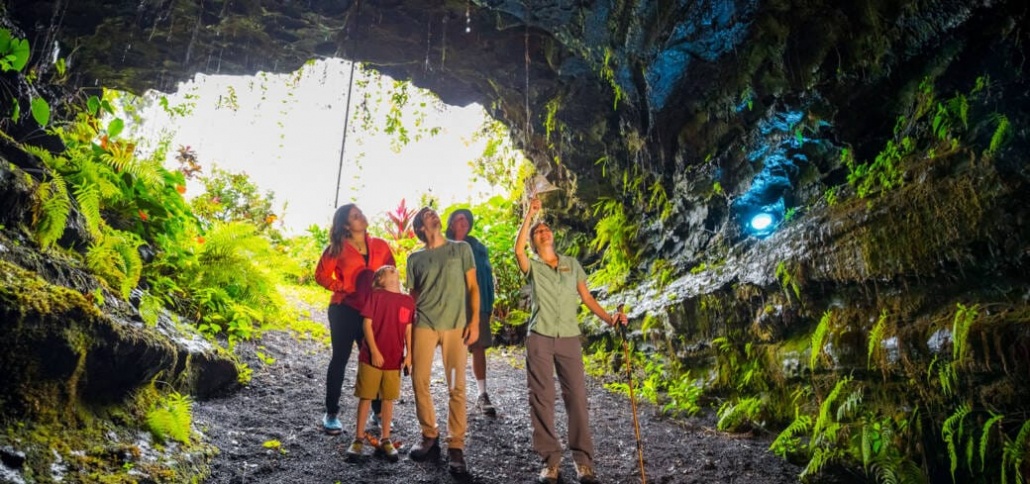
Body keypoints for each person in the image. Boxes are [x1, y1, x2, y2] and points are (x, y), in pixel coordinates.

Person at [514, 198, 626, 484]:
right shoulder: (533, 267)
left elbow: (587, 298)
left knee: (576, 397)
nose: (544, 232)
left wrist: (610, 318)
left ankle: (583, 462)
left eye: (546, 228)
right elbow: (517, 250)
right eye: (538, 231)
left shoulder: (571, 264)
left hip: (568, 337)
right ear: (533, 240)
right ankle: (550, 462)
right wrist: (530, 213)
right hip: (539, 336)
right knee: (542, 398)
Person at [405, 207, 480, 475]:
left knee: (455, 386)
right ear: (421, 227)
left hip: (455, 326)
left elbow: (473, 287)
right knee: (419, 380)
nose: (434, 215)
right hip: (424, 324)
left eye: (434, 212)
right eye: (427, 215)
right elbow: (412, 299)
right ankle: (429, 433)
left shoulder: (461, 250)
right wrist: (407, 339)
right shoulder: (414, 258)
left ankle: (456, 444)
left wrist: (474, 323)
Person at [314, 204, 396, 435]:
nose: (361, 216)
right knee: (340, 358)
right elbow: (320, 274)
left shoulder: (380, 245)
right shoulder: (337, 248)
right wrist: (340, 286)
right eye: (354, 216)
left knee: (372, 358)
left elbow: (391, 271)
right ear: (346, 225)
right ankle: (331, 413)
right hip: (344, 308)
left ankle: (378, 411)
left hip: (371, 311)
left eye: (360, 212)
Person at [345, 266, 414, 463]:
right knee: (366, 397)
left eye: (394, 269)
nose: (393, 269)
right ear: (380, 279)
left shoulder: (407, 301)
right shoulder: (376, 296)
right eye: (387, 270)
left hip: (394, 360)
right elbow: (366, 325)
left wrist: (409, 355)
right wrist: (374, 351)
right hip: (371, 358)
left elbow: (408, 330)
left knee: (388, 399)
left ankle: (385, 439)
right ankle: (358, 438)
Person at [445, 208, 498, 417]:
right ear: (451, 224)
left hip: (478, 304)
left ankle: (482, 394)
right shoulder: (445, 247)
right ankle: (455, 395)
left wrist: (487, 306)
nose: (463, 221)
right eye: (458, 219)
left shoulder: (478, 247)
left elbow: (486, 278)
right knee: (455, 349)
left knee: (478, 347)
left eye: (466, 219)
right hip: (454, 305)